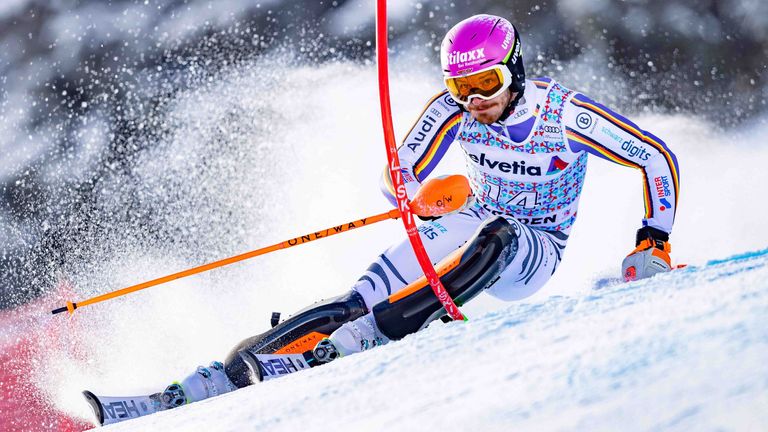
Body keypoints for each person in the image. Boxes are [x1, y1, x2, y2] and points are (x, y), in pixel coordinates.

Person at [91, 13, 680, 421]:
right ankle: (209, 381)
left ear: (515, 70)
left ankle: (374, 337)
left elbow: (656, 157)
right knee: (353, 300)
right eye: (461, 85)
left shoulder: (565, 114)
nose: (475, 100)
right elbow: (396, 174)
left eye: (487, 83)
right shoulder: (454, 109)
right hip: (468, 219)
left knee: (496, 235)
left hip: (532, 250)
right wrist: (416, 195)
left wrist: (652, 242)